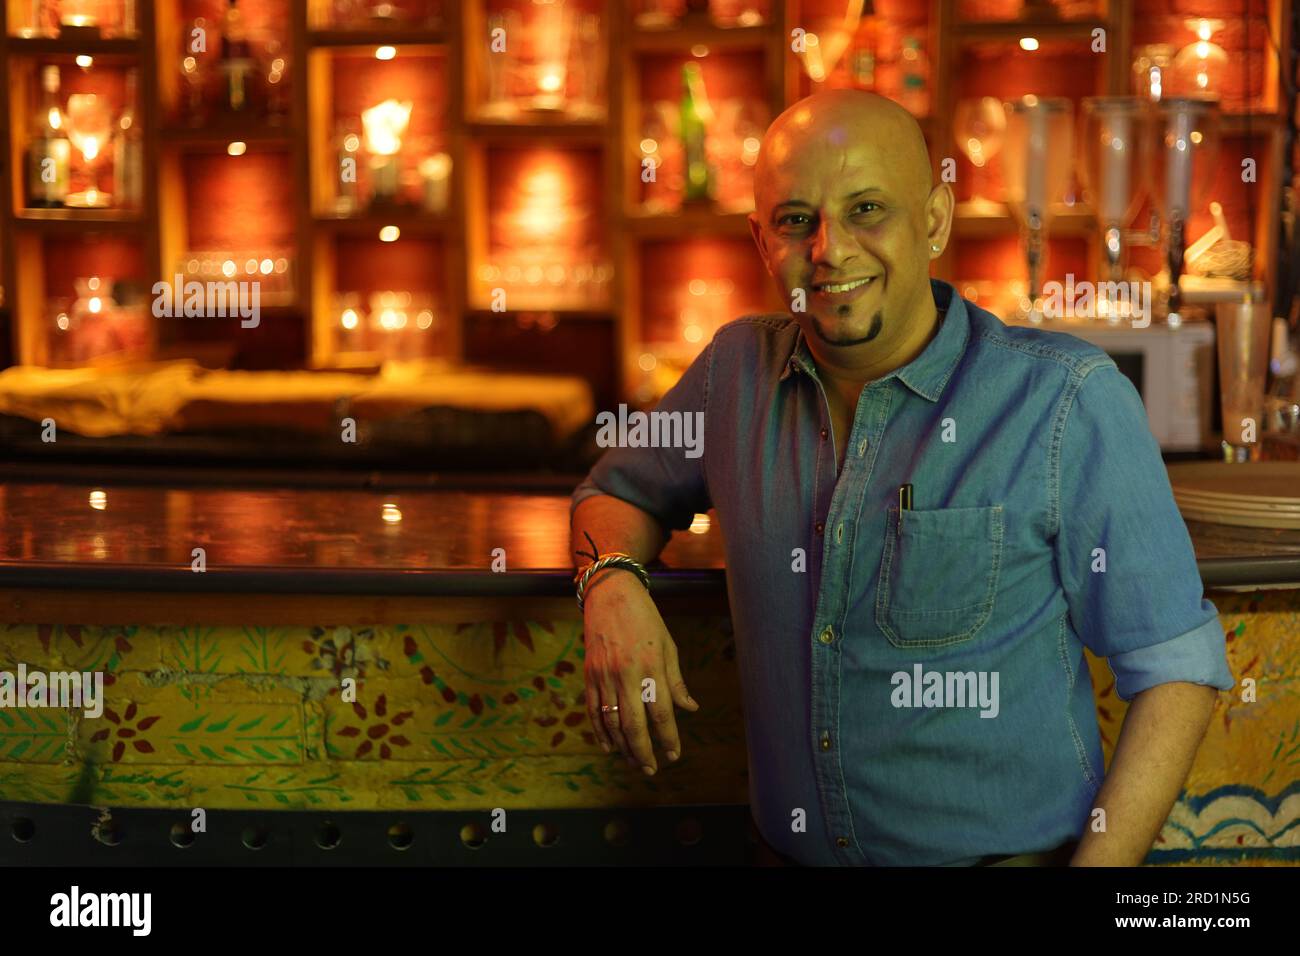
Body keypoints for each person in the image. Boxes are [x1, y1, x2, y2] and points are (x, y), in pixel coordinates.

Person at [569, 90, 1234, 866]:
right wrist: (612, 584)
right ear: (760, 240)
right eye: (796, 220)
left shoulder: (1065, 401)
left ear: (935, 220)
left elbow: (1175, 670)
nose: (830, 251)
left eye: (867, 209)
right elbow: (615, 492)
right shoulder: (734, 374)